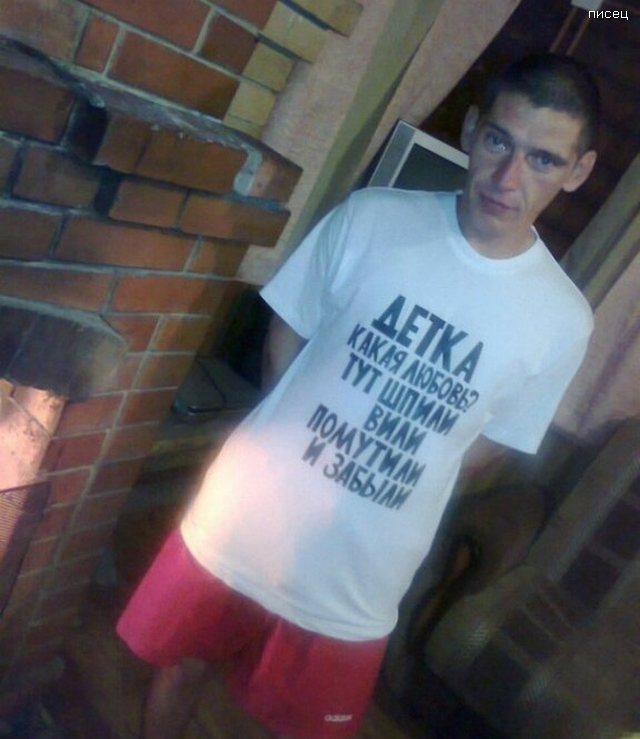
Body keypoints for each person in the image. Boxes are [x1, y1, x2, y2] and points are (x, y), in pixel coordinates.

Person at [117, 53, 599, 739]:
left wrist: (405, 472)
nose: (509, 177)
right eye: (499, 141)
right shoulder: (372, 217)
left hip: (363, 570)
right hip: (248, 514)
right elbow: (288, 328)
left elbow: (496, 442)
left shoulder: (563, 320)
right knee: (182, 664)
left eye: (543, 160)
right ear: (471, 130)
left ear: (577, 170)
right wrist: (295, 433)